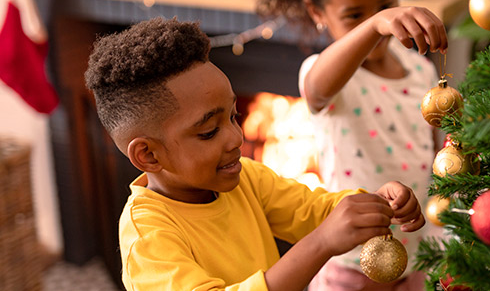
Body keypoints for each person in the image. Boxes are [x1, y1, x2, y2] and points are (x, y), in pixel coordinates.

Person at [84, 17, 426, 291]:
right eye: (208, 132)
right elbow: (321, 235)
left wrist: (374, 204)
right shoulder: (147, 238)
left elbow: (313, 211)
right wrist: (321, 243)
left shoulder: (246, 177)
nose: (235, 137)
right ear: (148, 155)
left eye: (234, 116)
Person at [257, 0, 449, 290]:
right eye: (354, 15)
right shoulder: (323, 73)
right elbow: (316, 90)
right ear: (317, 12)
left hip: (416, 259)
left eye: (385, 6)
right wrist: (376, 23)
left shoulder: (420, 70)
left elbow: (432, 150)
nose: (381, 24)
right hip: (351, 265)